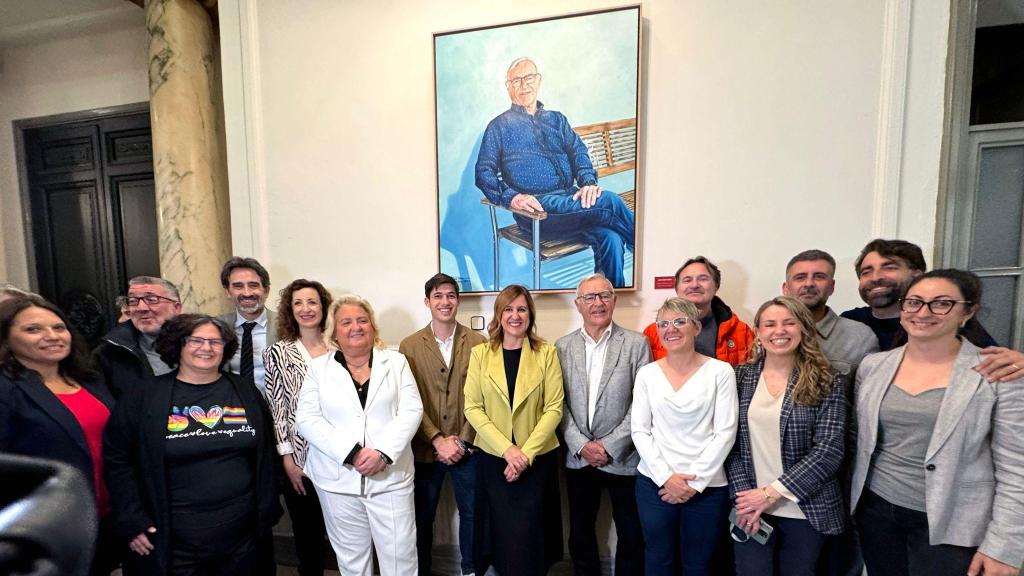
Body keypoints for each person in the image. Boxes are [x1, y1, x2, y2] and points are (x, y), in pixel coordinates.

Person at [850, 269, 1024, 576]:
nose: (923, 312)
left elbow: (1016, 467)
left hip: (953, 521)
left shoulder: (999, 373)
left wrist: (1005, 547)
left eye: (941, 303)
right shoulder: (873, 366)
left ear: (968, 311)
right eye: (914, 302)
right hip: (876, 511)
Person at [103, 314, 280, 575]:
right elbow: (118, 460)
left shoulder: (245, 391)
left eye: (215, 342)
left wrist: (268, 507)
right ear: (178, 345)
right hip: (173, 541)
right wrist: (131, 518)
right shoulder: (143, 396)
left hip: (243, 538)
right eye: (196, 340)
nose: (206, 348)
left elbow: (266, 453)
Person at [475, 57, 636, 287]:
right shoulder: (498, 127)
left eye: (529, 78)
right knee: (608, 200)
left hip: (571, 202)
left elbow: (578, 153)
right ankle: (650, 253)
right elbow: (484, 172)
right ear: (508, 87)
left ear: (538, 81)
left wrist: (588, 182)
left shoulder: (556, 119)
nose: (524, 86)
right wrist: (512, 197)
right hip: (539, 212)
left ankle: (609, 301)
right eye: (517, 81)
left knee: (611, 237)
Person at [295, 294, 423, 576]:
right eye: (346, 322)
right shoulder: (318, 369)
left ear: (373, 328)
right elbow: (306, 418)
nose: (356, 327)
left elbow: (412, 409)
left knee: (400, 559)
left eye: (362, 320)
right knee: (352, 562)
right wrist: (352, 453)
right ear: (334, 333)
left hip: (390, 479)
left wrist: (383, 453)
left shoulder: (396, 362)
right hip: (337, 481)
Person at [725, 296, 848, 575]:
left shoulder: (828, 379)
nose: (779, 331)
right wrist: (746, 499)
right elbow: (730, 444)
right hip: (751, 508)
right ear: (758, 331)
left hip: (804, 509)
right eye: (770, 324)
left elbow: (829, 451)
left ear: (803, 327)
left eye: (788, 323)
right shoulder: (740, 376)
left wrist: (770, 494)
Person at [0, 295, 117, 575]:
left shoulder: (90, 379)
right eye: (33, 329)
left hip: (105, 515)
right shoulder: (5, 389)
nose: (52, 336)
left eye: (59, 327)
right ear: (6, 337)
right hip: (48, 524)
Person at [631, 297, 738, 575]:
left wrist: (695, 482)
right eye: (663, 324)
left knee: (698, 564)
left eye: (680, 321)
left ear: (696, 327)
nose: (671, 329)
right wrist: (667, 477)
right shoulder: (647, 374)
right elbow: (640, 431)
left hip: (707, 487)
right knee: (657, 559)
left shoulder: (720, 372)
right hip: (655, 483)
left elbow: (725, 431)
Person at [463, 284, 565, 575]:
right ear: (499, 314)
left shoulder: (546, 353)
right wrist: (508, 450)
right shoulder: (481, 353)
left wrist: (525, 454)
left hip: (536, 461)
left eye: (521, 308)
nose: (515, 315)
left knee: (532, 537)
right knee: (500, 536)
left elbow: (554, 408)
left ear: (530, 314)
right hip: (495, 460)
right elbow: (472, 407)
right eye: (508, 308)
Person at [556, 273, 650, 576]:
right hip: (579, 457)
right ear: (578, 305)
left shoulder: (637, 344)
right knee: (581, 533)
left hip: (624, 458)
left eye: (604, 296)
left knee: (631, 533)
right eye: (589, 298)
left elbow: (643, 402)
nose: (598, 303)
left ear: (614, 300)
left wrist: (609, 445)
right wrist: (582, 445)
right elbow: (557, 403)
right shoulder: (561, 347)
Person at [399, 273, 486, 576]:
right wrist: (437, 439)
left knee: (473, 514)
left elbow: (484, 399)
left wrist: (461, 441)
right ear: (427, 302)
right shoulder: (409, 346)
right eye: (438, 296)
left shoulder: (479, 343)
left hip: (468, 448)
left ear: (458, 300)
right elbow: (407, 400)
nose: (445, 302)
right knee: (422, 516)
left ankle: (471, 570)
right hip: (426, 449)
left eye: (450, 295)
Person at [841, 239, 1024, 382]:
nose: (876, 277)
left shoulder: (947, 323)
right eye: (866, 272)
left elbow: (999, 361)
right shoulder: (851, 322)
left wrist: (1017, 362)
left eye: (889, 267)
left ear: (917, 275)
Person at [262, 279, 333, 576]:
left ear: (324, 306)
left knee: (346, 532)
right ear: (290, 311)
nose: (306, 309)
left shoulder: (340, 347)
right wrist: (287, 459)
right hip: (301, 458)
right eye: (298, 303)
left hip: (341, 455)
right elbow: (278, 410)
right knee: (308, 534)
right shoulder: (277, 353)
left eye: (312, 302)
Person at [782, 249, 879, 377]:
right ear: (786, 288)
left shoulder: (860, 337)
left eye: (819, 277)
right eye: (800, 277)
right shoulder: (768, 333)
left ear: (832, 286)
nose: (809, 283)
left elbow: (869, 392)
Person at [643, 256, 754, 366]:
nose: (694, 285)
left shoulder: (741, 332)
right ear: (676, 288)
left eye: (703, 279)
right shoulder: (652, 333)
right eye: (687, 280)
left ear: (716, 286)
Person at [93, 276, 182, 399]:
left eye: (151, 299)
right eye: (133, 301)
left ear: (176, 307)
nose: (141, 308)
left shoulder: (200, 343)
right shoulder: (110, 352)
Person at [219, 257, 277, 394]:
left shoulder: (287, 325)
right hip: (232, 408)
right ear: (227, 291)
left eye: (253, 285)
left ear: (266, 291)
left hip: (275, 410)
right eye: (238, 286)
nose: (247, 293)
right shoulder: (216, 327)